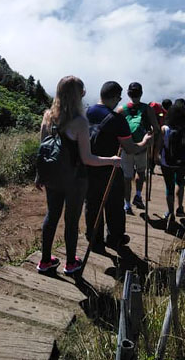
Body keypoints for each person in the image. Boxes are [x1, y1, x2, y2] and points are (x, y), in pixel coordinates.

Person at [35, 76, 121, 275]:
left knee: (52, 215)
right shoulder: (80, 121)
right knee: (71, 221)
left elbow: (43, 149)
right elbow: (87, 158)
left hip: (52, 176)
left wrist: (40, 175)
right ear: (78, 95)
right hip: (75, 179)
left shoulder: (48, 116)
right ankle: (71, 263)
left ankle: (45, 261)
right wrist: (112, 160)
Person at [86, 81, 152, 251]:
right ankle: (115, 239)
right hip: (111, 167)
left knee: (92, 204)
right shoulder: (117, 120)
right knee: (114, 205)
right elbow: (130, 147)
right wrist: (144, 142)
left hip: (89, 165)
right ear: (115, 97)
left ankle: (94, 240)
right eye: (119, 97)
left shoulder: (86, 112)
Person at [117, 82, 160, 214]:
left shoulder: (121, 109)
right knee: (140, 172)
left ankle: (127, 204)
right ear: (141, 94)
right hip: (142, 147)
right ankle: (138, 195)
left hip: (126, 147)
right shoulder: (148, 109)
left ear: (128, 94)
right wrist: (150, 135)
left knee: (126, 177)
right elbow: (157, 129)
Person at [159, 104, 185, 226]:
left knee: (169, 187)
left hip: (167, 163)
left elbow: (159, 147)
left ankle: (170, 213)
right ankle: (180, 208)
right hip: (183, 163)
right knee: (179, 182)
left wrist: (156, 158)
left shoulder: (165, 129)